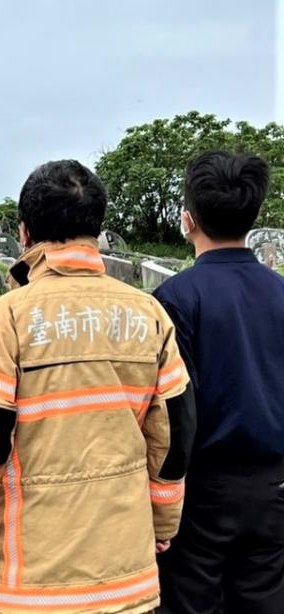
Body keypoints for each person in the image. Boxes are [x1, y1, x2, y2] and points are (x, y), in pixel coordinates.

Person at [0, 160, 196, 614]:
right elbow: (174, 435)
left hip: (28, 583)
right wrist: (163, 522)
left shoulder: (8, 318)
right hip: (124, 574)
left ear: (25, 233)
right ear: (98, 230)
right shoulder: (147, 315)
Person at [153, 151, 284, 614]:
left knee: (191, 602)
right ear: (253, 216)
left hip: (200, 490)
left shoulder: (174, 299)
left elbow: (172, 409)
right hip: (273, 486)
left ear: (188, 220)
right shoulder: (279, 292)